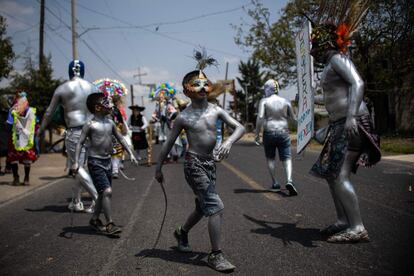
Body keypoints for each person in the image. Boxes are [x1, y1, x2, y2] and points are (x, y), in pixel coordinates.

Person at [155, 55, 245, 272]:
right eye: (197, 84)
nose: (203, 87)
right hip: (193, 164)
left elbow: (240, 128)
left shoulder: (217, 110)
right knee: (215, 207)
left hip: (210, 164)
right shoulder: (183, 117)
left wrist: (229, 143)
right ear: (187, 90)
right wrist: (158, 167)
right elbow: (168, 143)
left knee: (202, 207)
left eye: (206, 83)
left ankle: (182, 232)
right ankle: (216, 255)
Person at [308, 8, 381, 243]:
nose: (313, 52)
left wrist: (350, 117)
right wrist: (309, 100)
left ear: (326, 44)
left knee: (340, 175)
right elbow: (332, 97)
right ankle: (342, 220)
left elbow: (358, 83)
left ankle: (357, 227)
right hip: (339, 123)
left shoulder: (339, 59)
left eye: (316, 46)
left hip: (351, 121)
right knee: (331, 174)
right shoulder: (330, 66)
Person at [72, 92, 137, 235]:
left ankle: (94, 220)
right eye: (106, 102)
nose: (110, 104)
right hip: (95, 162)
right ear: (97, 107)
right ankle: (110, 224)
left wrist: (131, 153)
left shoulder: (110, 122)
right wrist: (76, 162)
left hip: (107, 161)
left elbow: (120, 138)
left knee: (102, 194)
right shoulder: (90, 124)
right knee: (107, 191)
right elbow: (80, 143)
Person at [37, 60, 98, 213]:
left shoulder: (62, 88)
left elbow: (49, 112)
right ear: (82, 71)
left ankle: (98, 198)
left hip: (75, 131)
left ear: (70, 71)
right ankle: (77, 201)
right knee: (83, 167)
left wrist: (40, 130)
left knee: (78, 168)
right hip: (93, 129)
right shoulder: (93, 87)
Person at [255, 79, 298, 196]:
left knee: (271, 158)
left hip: (269, 132)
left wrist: (257, 134)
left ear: (268, 89)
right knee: (287, 158)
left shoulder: (264, 101)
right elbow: (294, 119)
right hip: (283, 132)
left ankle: (275, 183)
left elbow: (260, 117)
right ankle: (289, 180)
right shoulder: (286, 101)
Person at [6, 92, 38, 185]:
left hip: (15, 137)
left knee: (13, 158)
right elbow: (35, 123)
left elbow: (9, 123)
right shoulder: (31, 110)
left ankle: (16, 179)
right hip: (27, 137)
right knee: (27, 157)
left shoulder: (12, 109)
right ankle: (26, 179)